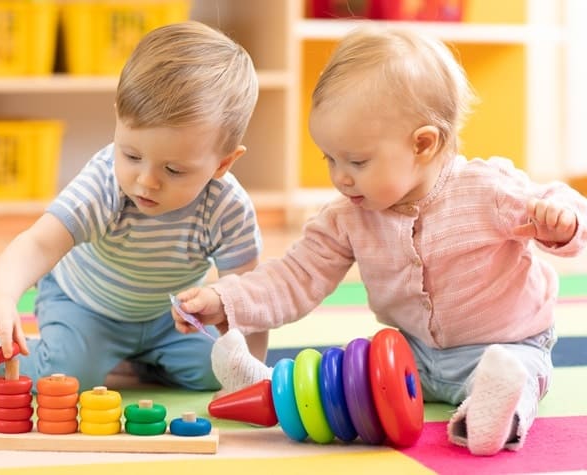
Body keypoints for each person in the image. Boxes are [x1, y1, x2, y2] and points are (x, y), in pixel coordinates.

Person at [173, 25, 587, 456]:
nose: (339, 176)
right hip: (414, 355)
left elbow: (561, 204)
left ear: (423, 145)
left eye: (356, 161)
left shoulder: (487, 190)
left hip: (507, 344)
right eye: (329, 158)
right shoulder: (348, 215)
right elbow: (295, 276)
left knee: (517, 374)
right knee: (348, 380)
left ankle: (487, 418)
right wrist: (227, 301)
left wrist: (563, 223)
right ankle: (267, 387)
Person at [0, 20, 269, 394]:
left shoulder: (228, 207)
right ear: (118, 119)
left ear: (223, 164)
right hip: (85, 306)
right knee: (63, 379)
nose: (146, 180)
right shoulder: (104, 185)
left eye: (174, 169)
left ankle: (141, 360)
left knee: (218, 369)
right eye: (131, 154)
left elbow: (246, 298)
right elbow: (37, 244)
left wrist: (249, 374)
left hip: (168, 317)